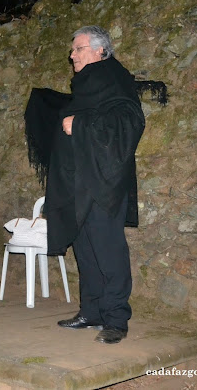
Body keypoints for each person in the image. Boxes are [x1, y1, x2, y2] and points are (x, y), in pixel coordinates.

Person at [47, 26, 145, 344]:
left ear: (100, 50)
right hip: (80, 181)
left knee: (108, 249)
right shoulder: (87, 84)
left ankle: (116, 319)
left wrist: (81, 124)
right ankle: (92, 311)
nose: (71, 55)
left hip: (104, 181)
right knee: (86, 250)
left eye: (78, 48)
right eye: (73, 49)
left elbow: (130, 122)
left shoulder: (113, 77)